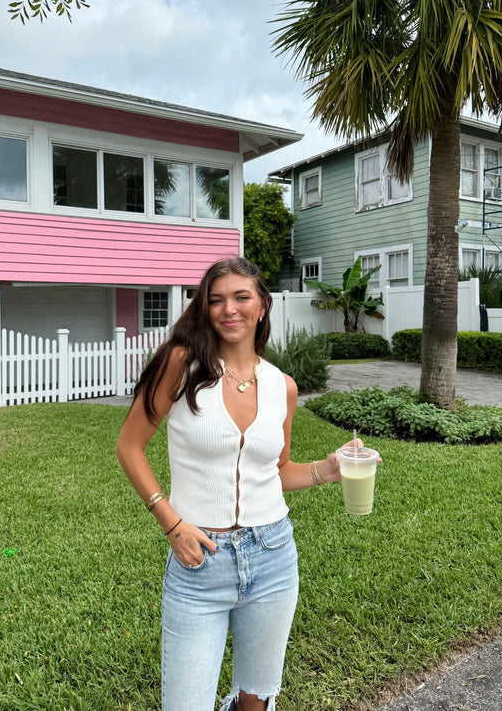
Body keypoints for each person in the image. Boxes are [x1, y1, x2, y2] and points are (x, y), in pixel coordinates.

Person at [115, 256, 358, 711]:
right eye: (216, 300)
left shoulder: (282, 386)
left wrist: (329, 468)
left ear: (262, 306)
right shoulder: (181, 366)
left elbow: (278, 471)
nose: (229, 309)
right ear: (204, 309)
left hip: (273, 558)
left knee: (256, 698)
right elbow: (129, 446)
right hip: (199, 562)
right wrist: (170, 522)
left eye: (241, 297)